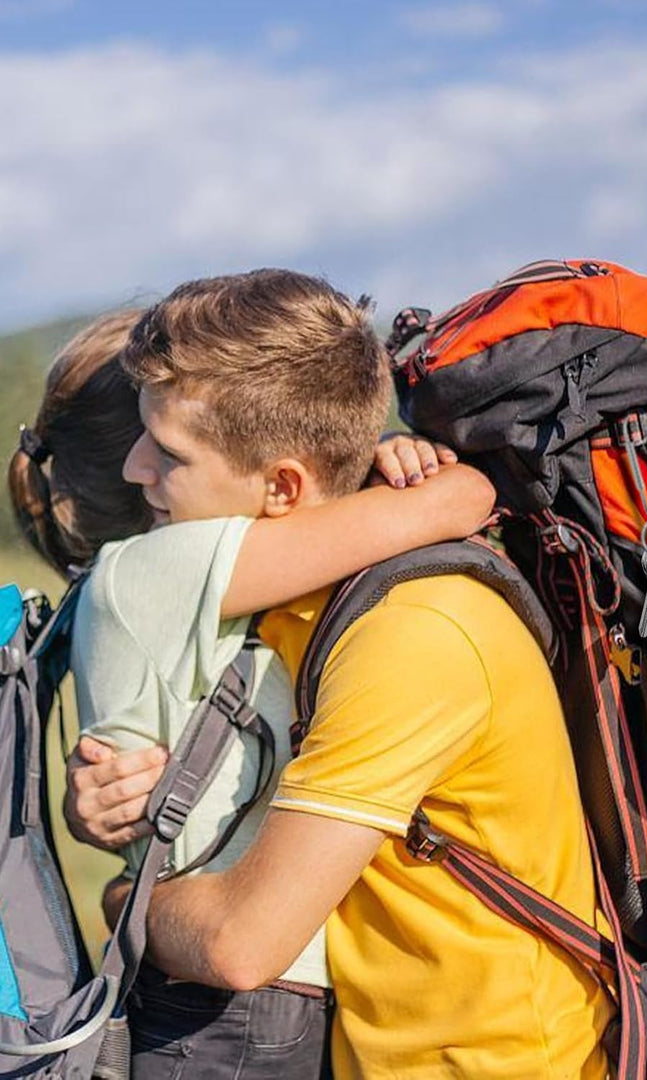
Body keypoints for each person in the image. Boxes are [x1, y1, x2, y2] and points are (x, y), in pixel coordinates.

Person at [68, 268, 616, 1080]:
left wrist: (126, 901)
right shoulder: (288, 594)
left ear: (283, 486)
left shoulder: (414, 630)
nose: (134, 470)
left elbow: (238, 943)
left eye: (171, 455)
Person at [8, 295, 497, 1079]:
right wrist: (404, 461)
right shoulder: (147, 572)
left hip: (242, 988)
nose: (150, 460)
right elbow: (460, 503)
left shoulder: (189, 588)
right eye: (164, 444)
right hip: (231, 999)